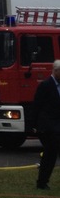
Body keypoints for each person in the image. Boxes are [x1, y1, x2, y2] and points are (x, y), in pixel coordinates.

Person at [32, 59, 60, 190]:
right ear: (55, 71)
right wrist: (34, 125)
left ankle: (43, 181)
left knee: (52, 153)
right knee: (50, 153)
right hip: (48, 126)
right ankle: (42, 181)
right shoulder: (45, 85)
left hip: (57, 124)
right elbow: (36, 105)